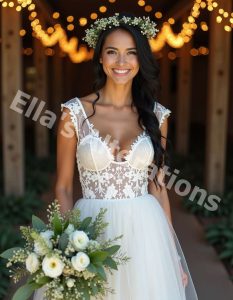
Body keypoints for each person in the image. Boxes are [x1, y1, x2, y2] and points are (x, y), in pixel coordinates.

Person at [34, 12, 198, 300]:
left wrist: (174, 255)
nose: (121, 62)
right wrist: (64, 244)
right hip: (90, 230)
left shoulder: (157, 115)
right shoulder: (74, 113)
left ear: (140, 60)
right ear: (100, 57)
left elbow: (158, 189)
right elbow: (62, 186)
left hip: (146, 234)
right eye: (113, 52)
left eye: (130, 53)